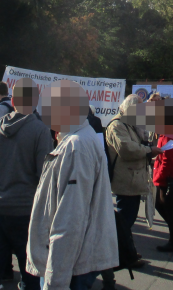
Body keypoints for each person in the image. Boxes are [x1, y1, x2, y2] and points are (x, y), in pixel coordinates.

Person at [27, 80, 118, 290]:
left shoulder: (76, 146)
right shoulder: (76, 140)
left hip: (71, 265)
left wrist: (55, 281)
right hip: (73, 262)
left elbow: (70, 220)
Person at [0, 78, 52, 290]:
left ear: (14, 99)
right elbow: (44, 176)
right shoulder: (40, 130)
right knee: (30, 272)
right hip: (25, 210)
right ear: (35, 99)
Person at [105, 94, 161, 266]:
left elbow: (142, 141)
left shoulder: (130, 124)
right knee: (123, 222)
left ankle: (125, 255)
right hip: (125, 180)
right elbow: (126, 149)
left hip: (133, 179)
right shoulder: (117, 125)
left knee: (126, 222)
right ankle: (118, 257)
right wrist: (148, 150)